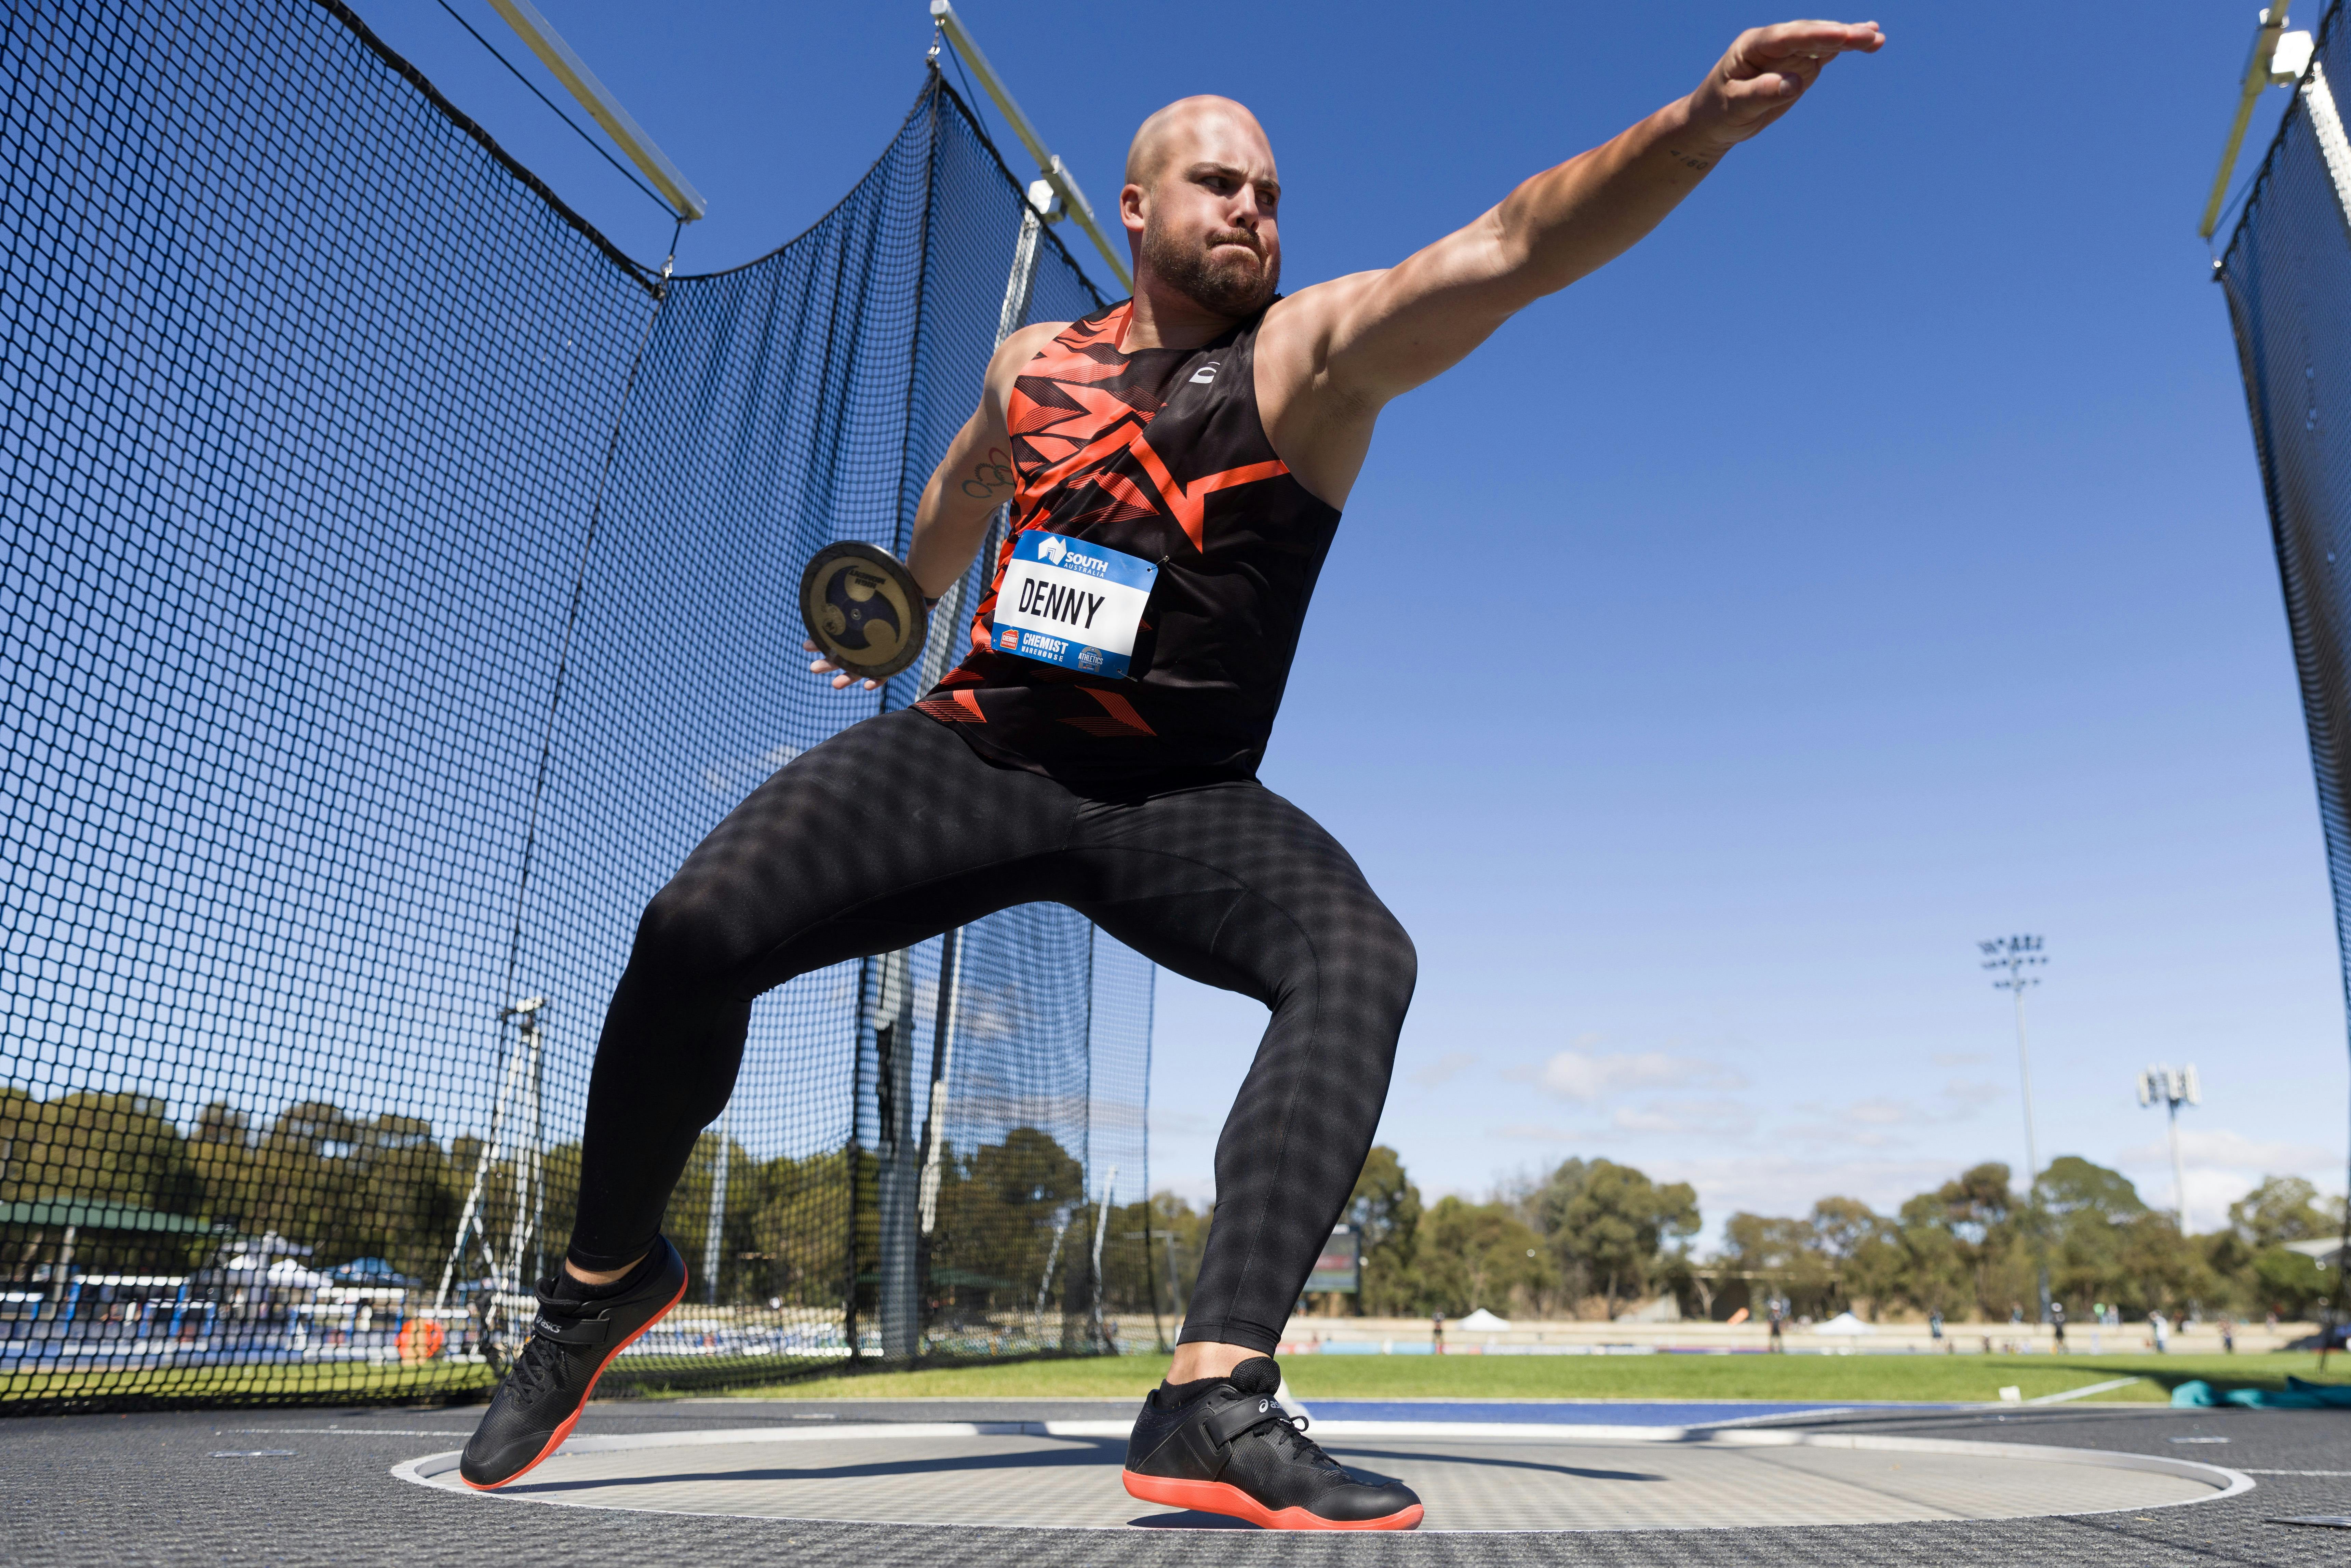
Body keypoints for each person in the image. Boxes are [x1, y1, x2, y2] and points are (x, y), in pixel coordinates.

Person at [454, 16, 1885, 1529]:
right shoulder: (1035, 367)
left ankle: (1210, 1396)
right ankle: (603, 1284)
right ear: (1134, 211)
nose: (1254, 210)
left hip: (1180, 798)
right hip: (981, 748)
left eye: (1269, 190)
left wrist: (1695, 131)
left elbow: (1510, 244)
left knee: (1359, 958)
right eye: (1218, 183)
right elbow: (967, 481)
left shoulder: (1309, 357)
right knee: (691, 931)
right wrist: (903, 601)